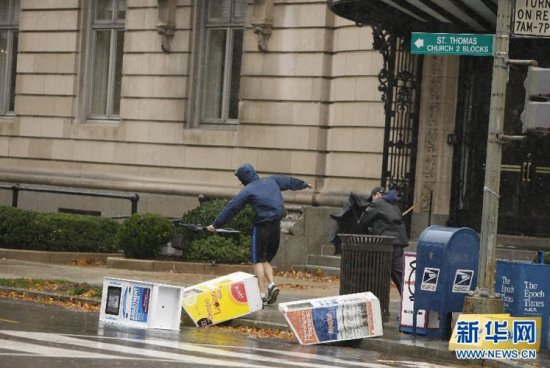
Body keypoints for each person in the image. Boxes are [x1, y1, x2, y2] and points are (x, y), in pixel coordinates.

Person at [207, 163, 312, 305]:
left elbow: (232, 208)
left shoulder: (248, 191)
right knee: (265, 259)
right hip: (276, 223)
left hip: (261, 225)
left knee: (257, 260)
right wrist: (303, 184)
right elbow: (287, 181)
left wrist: (216, 224)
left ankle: (262, 293)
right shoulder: (271, 180)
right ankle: (272, 284)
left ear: (243, 179)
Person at [359, 186, 409, 296]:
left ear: (376, 195)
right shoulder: (394, 204)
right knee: (401, 277)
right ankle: (409, 304)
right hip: (398, 244)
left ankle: (379, 305)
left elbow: (363, 221)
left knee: (378, 276)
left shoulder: (377, 203)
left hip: (383, 245)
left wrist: (368, 229)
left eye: (372, 197)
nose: (372, 199)